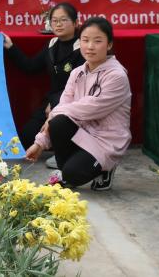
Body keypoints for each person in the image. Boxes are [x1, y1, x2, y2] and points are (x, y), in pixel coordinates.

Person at [25, 17, 131, 191]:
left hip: (105, 140)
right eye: (85, 40)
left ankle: (106, 168)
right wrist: (40, 143)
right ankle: (70, 169)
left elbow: (91, 108)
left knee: (72, 173)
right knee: (58, 123)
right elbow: (65, 105)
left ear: (109, 44)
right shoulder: (77, 73)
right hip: (82, 133)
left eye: (97, 41)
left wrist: (54, 113)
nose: (90, 46)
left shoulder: (116, 76)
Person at [3, 2, 84, 151]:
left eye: (63, 20)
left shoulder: (83, 48)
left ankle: (65, 153)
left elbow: (81, 85)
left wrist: (56, 103)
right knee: (26, 137)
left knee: (60, 129)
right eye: (54, 20)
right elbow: (30, 67)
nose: (58, 24)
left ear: (75, 22)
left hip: (74, 104)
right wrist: (10, 47)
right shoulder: (51, 45)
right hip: (51, 102)